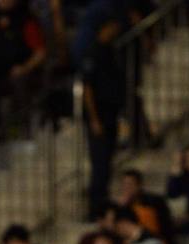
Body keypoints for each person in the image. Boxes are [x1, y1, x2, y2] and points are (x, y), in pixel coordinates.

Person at [81, 17, 123, 220]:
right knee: (99, 164)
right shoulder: (93, 52)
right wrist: (94, 119)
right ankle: (93, 210)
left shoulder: (110, 50)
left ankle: (102, 206)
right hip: (98, 116)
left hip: (111, 113)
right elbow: (87, 88)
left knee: (106, 163)